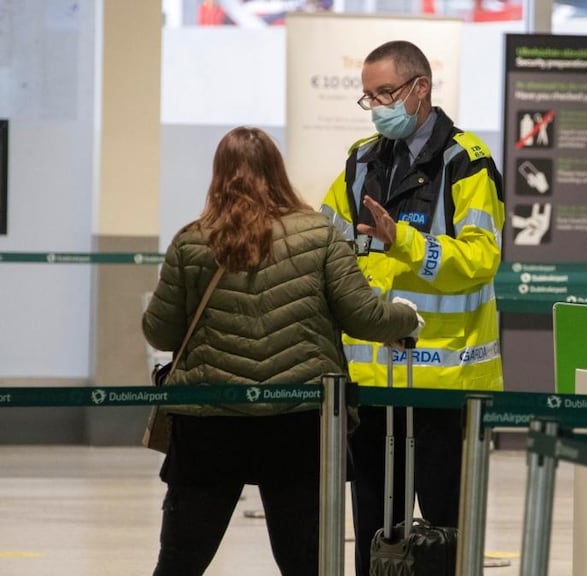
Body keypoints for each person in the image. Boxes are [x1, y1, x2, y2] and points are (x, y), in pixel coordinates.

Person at [142, 126, 421, 576]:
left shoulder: (192, 241)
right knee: (304, 562)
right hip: (299, 420)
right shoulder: (319, 236)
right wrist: (406, 318)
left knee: (180, 560)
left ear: (218, 176)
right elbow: (364, 317)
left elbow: (160, 332)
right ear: (278, 172)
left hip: (209, 423)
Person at [320, 40, 505, 576]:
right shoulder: (360, 162)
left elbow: (480, 259)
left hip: (448, 385)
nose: (377, 106)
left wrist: (401, 240)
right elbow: (327, 246)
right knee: (375, 532)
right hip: (371, 383)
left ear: (420, 88)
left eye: (385, 93)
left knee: (447, 532)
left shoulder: (466, 163)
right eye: (368, 97)